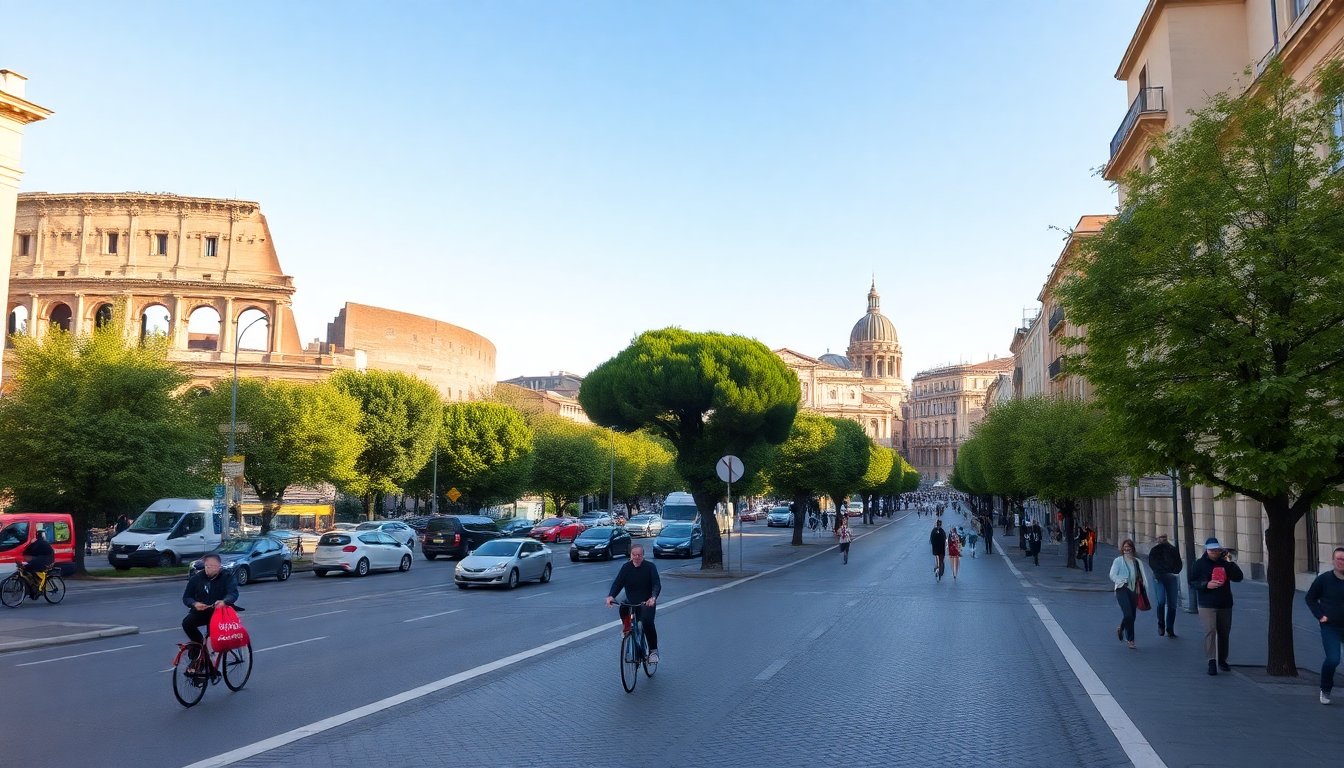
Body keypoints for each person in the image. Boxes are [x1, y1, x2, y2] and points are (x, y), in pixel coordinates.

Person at [1190, 537, 1244, 676]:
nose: (1214, 552)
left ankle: (1222, 660)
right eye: (1212, 550)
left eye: (1217, 550)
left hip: (1225, 603)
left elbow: (1238, 577)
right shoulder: (1199, 564)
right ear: (1207, 550)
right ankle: (1211, 661)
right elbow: (1192, 582)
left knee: (1224, 633)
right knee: (1210, 631)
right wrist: (1206, 585)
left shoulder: (1225, 563)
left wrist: (1230, 561)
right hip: (1206, 603)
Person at [181, 552, 239, 672]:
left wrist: (224, 601)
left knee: (212, 638)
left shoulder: (227, 577)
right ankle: (199, 656)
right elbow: (187, 597)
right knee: (187, 623)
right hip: (203, 610)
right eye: (206, 566)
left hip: (220, 611)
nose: (208, 569)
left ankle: (212, 664)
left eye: (211, 566)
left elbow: (233, 593)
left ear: (219, 566)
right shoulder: (197, 578)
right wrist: (195, 604)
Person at [606, 543, 661, 664]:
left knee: (647, 622)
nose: (636, 557)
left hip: (646, 602)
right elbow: (618, 583)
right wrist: (611, 596)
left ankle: (653, 651)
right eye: (634, 555)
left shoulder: (650, 567)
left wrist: (653, 597)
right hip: (631, 600)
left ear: (643, 555)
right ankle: (626, 628)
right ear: (630, 555)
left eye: (639, 555)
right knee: (622, 607)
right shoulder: (626, 567)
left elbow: (656, 584)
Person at [1305, 547, 1344, 704]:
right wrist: (1320, 615)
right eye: (1339, 558)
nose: (1341, 562)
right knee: (1333, 659)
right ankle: (1325, 689)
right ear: (1333, 560)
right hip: (1331, 627)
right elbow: (1310, 598)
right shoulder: (1324, 579)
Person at [1109, 539, 1153, 649]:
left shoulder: (1137, 562)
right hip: (1122, 588)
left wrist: (1142, 587)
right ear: (1122, 549)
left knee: (1132, 616)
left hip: (1134, 590)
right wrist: (1121, 580)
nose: (1126, 550)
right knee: (1128, 614)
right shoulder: (1118, 561)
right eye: (1124, 548)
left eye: (1129, 548)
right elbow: (1112, 575)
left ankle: (1129, 638)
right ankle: (1128, 636)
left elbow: (1141, 577)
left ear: (1132, 549)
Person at [1148, 533, 1184, 639]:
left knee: (1172, 604)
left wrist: (1173, 571)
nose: (1162, 539)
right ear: (1157, 538)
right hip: (1159, 577)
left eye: (1164, 537)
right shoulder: (1154, 550)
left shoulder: (1173, 549)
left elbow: (1179, 564)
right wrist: (1163, 571)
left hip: (1171, 577)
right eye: (1160, 537)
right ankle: (1161, 624)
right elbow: (1153, 564)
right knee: (1161, 601)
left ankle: (1170, 628)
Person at [19, 531, 55, 599]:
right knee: (29, 569)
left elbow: (35, 559)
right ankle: (33, 588)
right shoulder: (41, 543)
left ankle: (38, 590)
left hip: (45, 561)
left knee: (30, 567)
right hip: (46, 559)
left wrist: (25, 564)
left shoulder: (39, 544)